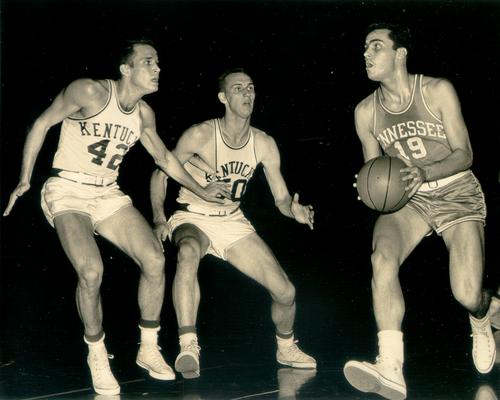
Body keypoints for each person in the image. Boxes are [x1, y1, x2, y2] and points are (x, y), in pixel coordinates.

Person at [3, 40, 230, 395]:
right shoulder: (89, 90)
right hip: (69, 190)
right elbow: (42, 123)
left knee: (155, 259)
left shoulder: (143, 115)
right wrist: (25, 177)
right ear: (126, 69)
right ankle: (96, 353)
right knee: (91, 271)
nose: (157, 68)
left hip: (107, 193)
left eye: (158, 62)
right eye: (148, 62)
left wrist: (202, 191)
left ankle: (149, 348)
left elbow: (166, 160)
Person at [342, 24, 496, 400]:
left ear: (400, 54)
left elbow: (465, 153)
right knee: (382, 258)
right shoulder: (365, 112)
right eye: (364, 47)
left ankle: (482, 314)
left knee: (466, 293)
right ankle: (391, 366)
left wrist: (425, 172)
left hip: (456, 190)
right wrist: (368, 187)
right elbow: (374, 171)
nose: (366, 53)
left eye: (375, 46)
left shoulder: (436, 91)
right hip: (409, 200)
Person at [150, 68, 316, 379]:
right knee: (187, 253)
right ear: (223, 97)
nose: (247, 93)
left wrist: (292, 210)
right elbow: (160, 173)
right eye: (238, 88)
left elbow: (281, 198)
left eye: (251, 88)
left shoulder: (264, 143)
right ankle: (188, 345)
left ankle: (286, 345)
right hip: (192, 216)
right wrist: (159, 217)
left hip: (232, 220)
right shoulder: (200, 134)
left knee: (286, 292)